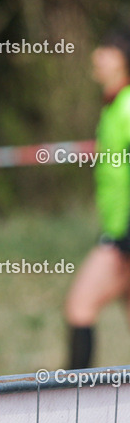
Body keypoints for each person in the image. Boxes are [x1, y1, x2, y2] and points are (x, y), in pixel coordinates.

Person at [65, 27, 130, 369]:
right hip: (117, 232)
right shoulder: (113, 106)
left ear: (123, 60)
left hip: (122, 238)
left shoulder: (127, 106)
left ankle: (73, 397)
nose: (96, 56)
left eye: (106, 50)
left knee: (80, 306)